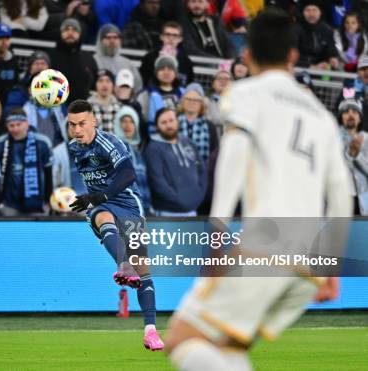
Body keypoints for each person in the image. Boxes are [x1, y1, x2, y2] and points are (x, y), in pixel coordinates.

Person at [164, 9, 352, 370]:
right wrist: (333, 268)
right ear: (293, 56)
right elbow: (340, 193)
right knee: (230, 347)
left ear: (246, 55)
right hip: (308, 261)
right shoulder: (321, 115)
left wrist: (216, 237)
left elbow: (234, 155)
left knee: (182, 339)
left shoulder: (246, 93)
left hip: (264, 247)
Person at [66, 99, 164, 351]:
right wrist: (93, 199)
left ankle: (150, 331)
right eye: (72, 125)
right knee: (100, 216)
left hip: (129, 205)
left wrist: (102, 196)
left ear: (94, 121)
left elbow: (128, 173)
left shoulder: (109, 142)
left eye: (82, 124)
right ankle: (123, 262)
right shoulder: (74, 147)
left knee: (144, 272)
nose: (77, 130)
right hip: (101, 205)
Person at [143, 108, 206, 216]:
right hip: (168, 213)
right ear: (157, 126)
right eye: (164, 122)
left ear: (177, 121)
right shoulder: (153, 148)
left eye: (171, 120)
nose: (168, 125)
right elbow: (157, 181)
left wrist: (199, 194)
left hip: (193, 211)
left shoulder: (188, 143)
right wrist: (178, 200)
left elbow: (201, 169)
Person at [0, 108, 53, 216]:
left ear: (27, 123)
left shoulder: (42, 143)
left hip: (37, 205)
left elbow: (49, 175)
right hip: (8, 205)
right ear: (7, 126)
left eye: (18, 124)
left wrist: (48, 201)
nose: (15, 129)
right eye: (11, 125)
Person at [49, 17, 98, 103]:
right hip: (56, 106)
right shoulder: (50, 56)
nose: (70, 33)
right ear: (60, 33)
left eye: (75, 30)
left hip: (82, 108)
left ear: (80, 34)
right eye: (66, 29)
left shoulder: (88, 58)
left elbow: (95, 85)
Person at [112, 105, 151, 212]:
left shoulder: (138, 151)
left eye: (131, 121)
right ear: (117, 124)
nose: (127, 125)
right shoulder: (113, 148)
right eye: (124, 121)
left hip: (143, 209)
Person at [137, 55, 186, 135]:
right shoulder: (145, 94)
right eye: (162, 69)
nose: (166, 72)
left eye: (170, 69)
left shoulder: (184, 93)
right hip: (153, 137)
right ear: (156, 73)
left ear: (176, 73)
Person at [139, 21, 195, 87]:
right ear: (161, 37)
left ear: (180, 39)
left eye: (175, 35)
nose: (171, 38)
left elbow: (189, 85)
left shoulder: (186, 62)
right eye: (167, 34)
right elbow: (143, 82)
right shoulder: (149, 58)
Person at [338, 98, 368, 215]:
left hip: (363, 205)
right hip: (338, 201)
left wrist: (357, 156)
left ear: (360, 118)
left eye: (354, 112)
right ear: (341, 117)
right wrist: (349, 155)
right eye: (346, 112)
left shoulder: (366, 139)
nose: (350, 114)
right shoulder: (332, 138)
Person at [94, 24, 143, 94]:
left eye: (115, 37)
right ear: (101, 40)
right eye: (108, 37)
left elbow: (138, 88)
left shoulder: (127, 63)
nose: (112, 41)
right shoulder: (93, 61)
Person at [177, 83, 218, 165]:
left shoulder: (210, 126)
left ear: (201, 104)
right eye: (188, 99)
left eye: (196, 100)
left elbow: (214, 154)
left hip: (202, 171)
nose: (192, 102)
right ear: (182, 102)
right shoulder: (173, 122)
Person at [295, 0, 339, 70]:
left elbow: (331, 49)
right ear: (302, 12)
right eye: (308, 10)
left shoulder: (327, 30)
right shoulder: (295, 29)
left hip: (321, 68)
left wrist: (333, 58)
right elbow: (290, 56)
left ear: (320, 12)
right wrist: (311, 66)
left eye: (314, 10)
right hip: (300, 69)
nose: (311, 14)